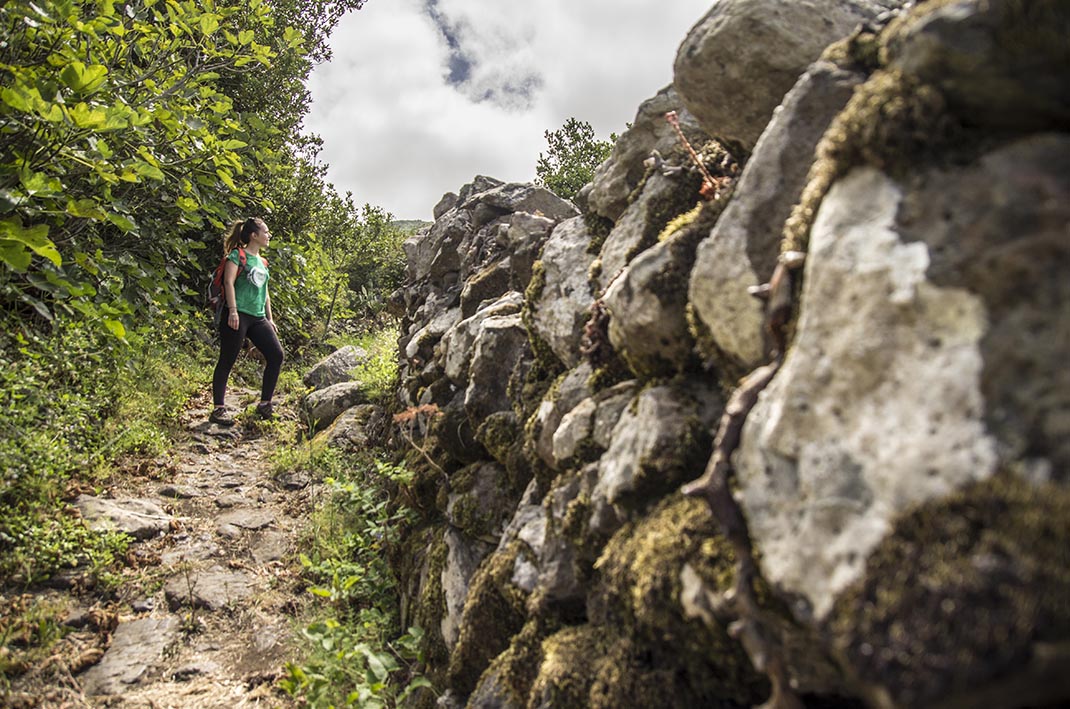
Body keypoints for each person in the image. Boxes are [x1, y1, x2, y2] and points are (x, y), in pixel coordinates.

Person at [209, 217, 284, 425]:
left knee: (276, 355)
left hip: (258, 317)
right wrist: (232, 311)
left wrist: (270, 318)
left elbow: (265, 292)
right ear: (254, 235)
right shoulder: (238, 256)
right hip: (237, 313)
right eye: (266, 232)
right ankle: (218, 410)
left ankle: (265, 405)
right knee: (227, 359)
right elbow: (228, 282)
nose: (268, 236)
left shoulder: (263, 262)